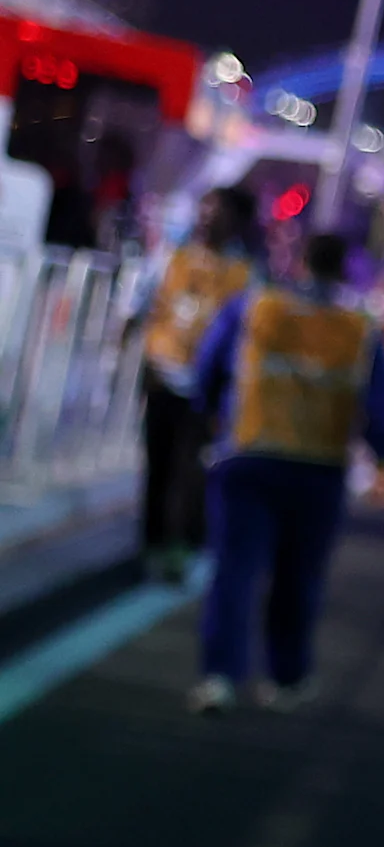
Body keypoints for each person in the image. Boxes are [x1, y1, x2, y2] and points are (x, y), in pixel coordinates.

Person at [185, 230, 384, 716]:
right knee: (298, 578)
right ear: (344, 270)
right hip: (318, 468)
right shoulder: (359, 327)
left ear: (298, 262)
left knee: (234, 572)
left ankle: (219, 677)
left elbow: (208, 368)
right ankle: (287, 678)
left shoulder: (255, 307)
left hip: (249, 455)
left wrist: (209, 416)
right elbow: (381, 405)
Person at [134, 188, 260, 582]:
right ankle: (151, 544)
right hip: (162, 376)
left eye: (217, 211)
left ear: (237, 221)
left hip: (207, 390)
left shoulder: (247, 276)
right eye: (204, 207)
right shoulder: (171, 257)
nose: (207, 217)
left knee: (191, 470)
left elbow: (249, 337)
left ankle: (181, 545)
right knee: (157, 463)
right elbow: (142, 304)